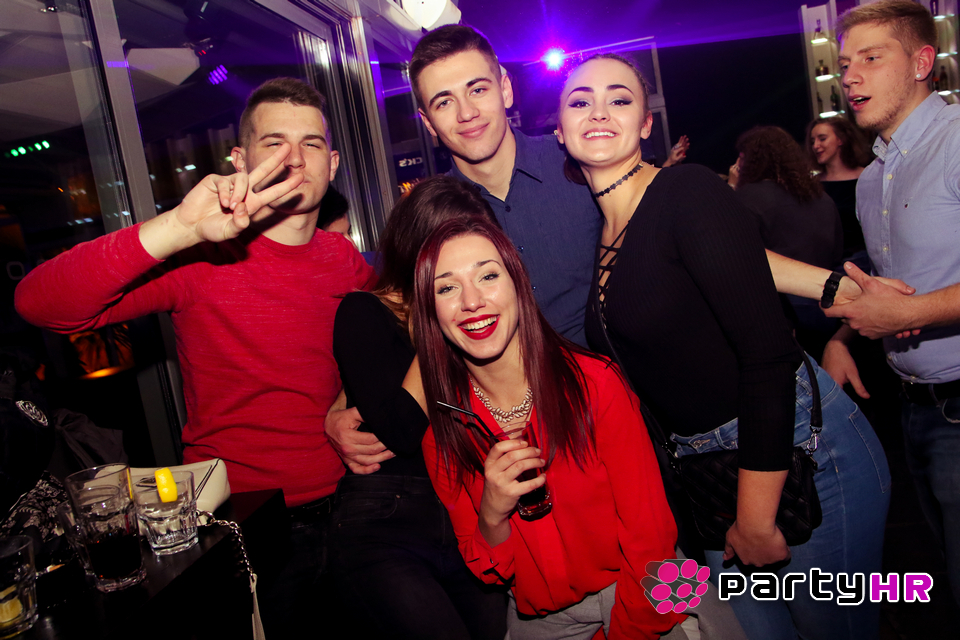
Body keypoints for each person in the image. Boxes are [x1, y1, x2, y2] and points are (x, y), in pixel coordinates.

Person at [14, 78, 377, 635]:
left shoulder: (344, 259)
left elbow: (384, 344)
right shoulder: (201, 257)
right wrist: (178, 227)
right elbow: (39, 304)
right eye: (274, 143)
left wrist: (345, 401)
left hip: (355, 505)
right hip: (246, 520)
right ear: (240, 161)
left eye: (310, 144)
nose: (294, 159)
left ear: (331, 164)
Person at [557, 53, 891, 640]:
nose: (599, 112)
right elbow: (725, 263)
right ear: (560, 132)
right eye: (580, 101)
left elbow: (767, 354)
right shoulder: (606, 230)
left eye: (620, 99)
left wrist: (756, 519)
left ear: (646, 124)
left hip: (795, 449)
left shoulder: (685, 189)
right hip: (707, 474)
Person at [410, 214, 690, 640]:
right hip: (541, 619)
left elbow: (651, 538)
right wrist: (492, 513)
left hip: (644, 590)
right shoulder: (444, 435)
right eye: (446, 287)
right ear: (431, 313)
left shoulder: (596, 385)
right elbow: (490, 572)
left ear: (518, 285)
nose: (472, 301)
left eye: (488, 276)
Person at [821, 0, 960, 607]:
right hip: (915, 409)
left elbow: (907, 303)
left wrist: (909, 315)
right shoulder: (876, 176)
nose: (850, 77)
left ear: (922, 62)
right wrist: (842, 338)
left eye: (872, 59)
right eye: (845, 64)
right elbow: (891, 280)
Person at [329, 176, 507, 639]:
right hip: (388, 515)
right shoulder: (363, 312)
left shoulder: (482, 321)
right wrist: (436, 323)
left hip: (468, 511)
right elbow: (400, 430)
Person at [409, 24, 600, 348]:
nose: (467, 113)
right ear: (428, 122)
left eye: (477, 90)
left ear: (506, 90)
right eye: (444, 102)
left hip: (609, 372)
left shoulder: (579, 165)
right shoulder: (430, 218)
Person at [734, 125, 844, 360]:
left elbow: (741, 264)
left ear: (752, 159)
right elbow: (837, 254)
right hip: (826, 308)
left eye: (742, 157)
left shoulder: (748, 197)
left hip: (781, 317)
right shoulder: (822, 196)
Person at [805, 115, 872, 268]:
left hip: (861, 261)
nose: (815, 146)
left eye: (822, 139)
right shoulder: (812, 184)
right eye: (812, 141)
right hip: (822, 263)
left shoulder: (867, 177)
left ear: (841, 139)